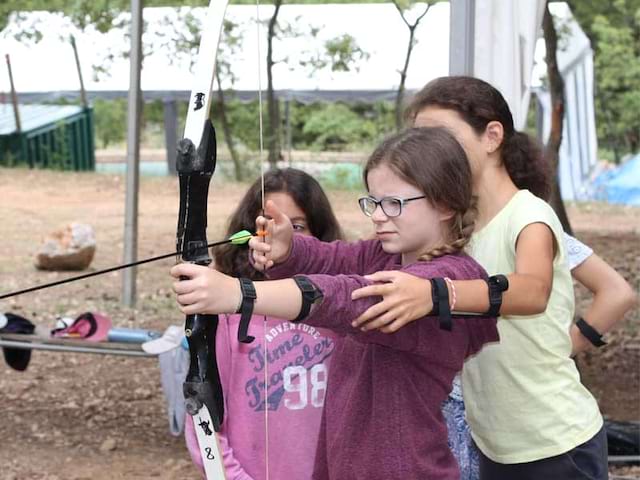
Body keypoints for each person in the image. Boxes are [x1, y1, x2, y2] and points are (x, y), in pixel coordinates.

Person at [349, 76, 635, 479]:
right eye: (420, 137)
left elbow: (532, 290)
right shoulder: (455, 226)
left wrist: (437, 294)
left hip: (555, 442)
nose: (431, 148)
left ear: (492, 136)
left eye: (441, 134)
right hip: (495, 446)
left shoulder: (529, 215)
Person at [172, 127, 499, 479]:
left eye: (394, 203)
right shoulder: (389, 255)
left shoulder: (450, 279)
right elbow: (335, 259)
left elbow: (344, 297)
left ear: (446, 203)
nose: (377, 216)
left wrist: (240, 295)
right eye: (373, 202)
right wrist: (289, 247)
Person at [184, 168, 343, 480]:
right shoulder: (226, 310)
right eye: (265, 225)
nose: (280, 236)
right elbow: (202, 416)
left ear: (319, 235)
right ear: (247, 233)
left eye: (297, 226)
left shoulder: (338, 304)